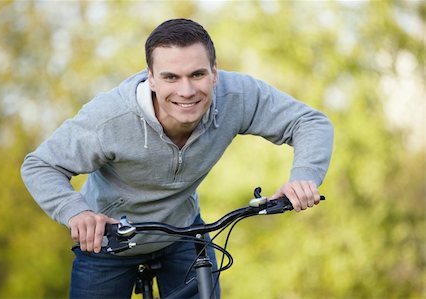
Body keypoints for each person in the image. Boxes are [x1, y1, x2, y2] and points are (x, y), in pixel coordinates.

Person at [21, 18, 333, 298]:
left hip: (182, 231)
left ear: (214, 73)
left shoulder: (236, 97)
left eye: (197, 74)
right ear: (151, 79)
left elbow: (309, 122)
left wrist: (303, 176)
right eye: (171, 77)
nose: (186, 90)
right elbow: (40, 165)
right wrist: (77, 213)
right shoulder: (109, 118)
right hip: (109, 243)